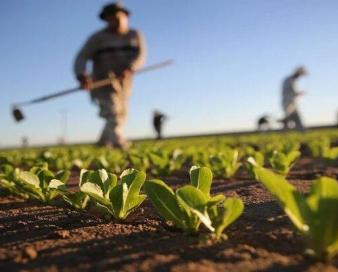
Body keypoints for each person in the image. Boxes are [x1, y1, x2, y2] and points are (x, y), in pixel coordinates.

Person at [74, 2, 146, 148]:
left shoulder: (135, 35)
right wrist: (82, 75)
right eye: (112, 17)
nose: (116, 19)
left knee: (121, 114)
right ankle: (120, 144)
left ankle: (102, 143)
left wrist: (130, 68)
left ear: (126, 16)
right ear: (106, 19)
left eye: (119, 15)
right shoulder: (97, 38)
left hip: (124, 84)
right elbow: (81, 57)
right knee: (113, 113)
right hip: (103, 83)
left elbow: (141, 55)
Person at [281, 66, 307, 130]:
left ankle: (301, 131)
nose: (299, 76)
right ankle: (287, 131)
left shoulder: (293, 81)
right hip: (288, 102)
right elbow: (289, 91)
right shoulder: (288, 80)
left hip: (292, 103)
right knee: (289, 117)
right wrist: (299, 93)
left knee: (295, 117)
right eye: (299, 75)